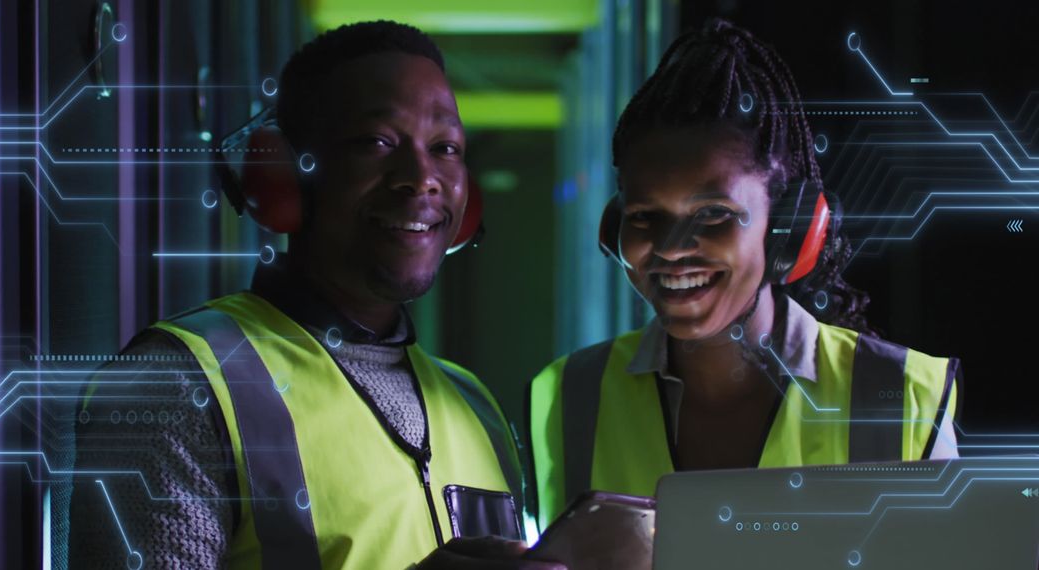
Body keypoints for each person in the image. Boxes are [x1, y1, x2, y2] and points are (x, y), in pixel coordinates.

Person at [68, 20, 562, 570]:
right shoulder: (174, 384)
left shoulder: (476, 407)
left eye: (445, 147)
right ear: (281, 174)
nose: (421, 177)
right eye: (376, 142)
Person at [527, 19, 961, 530]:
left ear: (789, 230)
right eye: (645, 216)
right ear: (613, 228)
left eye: (714, 213)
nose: (670, 249)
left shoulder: (901, 398)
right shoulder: (570, 395)